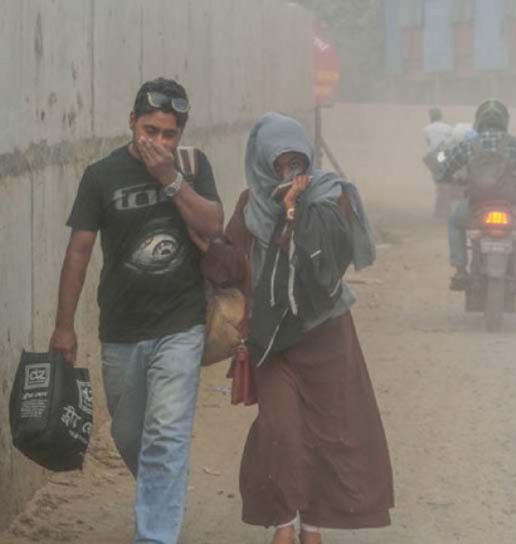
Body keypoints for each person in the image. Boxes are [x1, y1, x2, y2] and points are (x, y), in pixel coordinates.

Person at [204, 113, 394, 544]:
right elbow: (231, 266)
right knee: (281, 431)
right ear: (262, 164)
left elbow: (327, 267)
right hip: (273, 341)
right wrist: (208, 239)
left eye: (296, 163)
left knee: (328, 436)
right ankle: (284, 523)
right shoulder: (249, 207)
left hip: (325, 336)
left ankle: (312, 527)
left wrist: (294, 212)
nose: (289, 173)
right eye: (279, 165)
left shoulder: (331, 198)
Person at [49, 77, 224, 543]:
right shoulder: (101, 176)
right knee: (130, 438)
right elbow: (78, 253)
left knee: (165, 436)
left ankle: (155, 535)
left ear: (181, 135)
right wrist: (63, 326)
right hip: (121, 330)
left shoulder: (191, 166)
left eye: (169, 134)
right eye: (150, 130)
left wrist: (170, 179)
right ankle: (160, 492)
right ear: (131, 123)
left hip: (180, 323)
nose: (159, 142)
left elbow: (212, 223)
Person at [438, 99, 516, 290]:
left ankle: (461, 270)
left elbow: (446, 167)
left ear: (479, 121)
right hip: (511, 206)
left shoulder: (468, 144)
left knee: (455, 222)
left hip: (475, 207)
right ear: (505, 121)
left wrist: (447, 177)